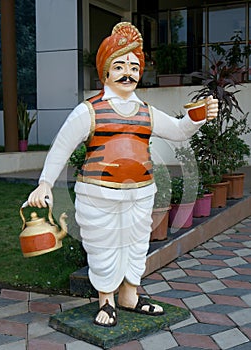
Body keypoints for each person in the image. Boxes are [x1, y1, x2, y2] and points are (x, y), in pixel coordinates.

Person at [28, 22, 218, 327]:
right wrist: (45, 183)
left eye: (133, 66)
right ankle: (106, 300)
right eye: (119, 66)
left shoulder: (147, 111)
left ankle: (129, 295)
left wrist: (198, 117)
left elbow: (179, 132)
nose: (127, 72)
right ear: (105, 72)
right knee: (103, 243)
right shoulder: (88, 111)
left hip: (141, 192)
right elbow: (62, 146)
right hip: (98, 193)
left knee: (135, 242)